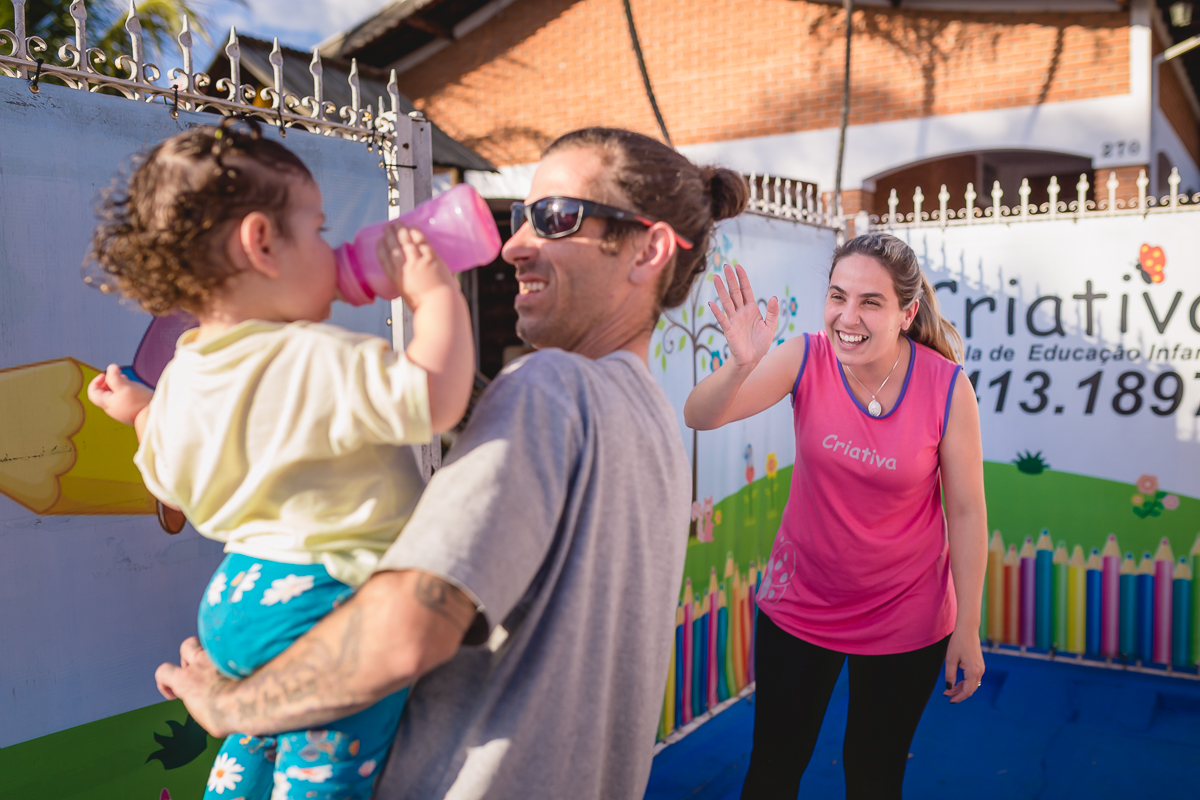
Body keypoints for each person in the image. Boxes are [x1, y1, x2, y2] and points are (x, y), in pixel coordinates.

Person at [150, 127, 749, 799]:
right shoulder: (654, 423)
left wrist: (229, 706)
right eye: (522, 218)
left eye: (556, 218)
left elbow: (407, 632)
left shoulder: (548, 389)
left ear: (649, 250)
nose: (513, 245)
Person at [85, 117, 475, 800]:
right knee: (323, 779)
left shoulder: (182, 380)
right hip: (326, 604)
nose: (333, 250)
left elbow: (167, 477)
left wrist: (142, 410)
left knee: (255, 749)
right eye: (319, 231)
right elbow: (436, 399)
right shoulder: (315, 356)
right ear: (262, 242)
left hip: (238, 603)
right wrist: (434, 292)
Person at [684, 233, 987, 799]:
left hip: (907, 611)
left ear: (906, 313)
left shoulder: (947, 386)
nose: (848, 317)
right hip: (802, 602)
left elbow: (967, 512)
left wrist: (967, 627)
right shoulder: (806, 357)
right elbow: (700, 415)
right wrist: (741, 365)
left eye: (871, 302)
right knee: (773, 770)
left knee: (874, 776)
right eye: (838, 296)